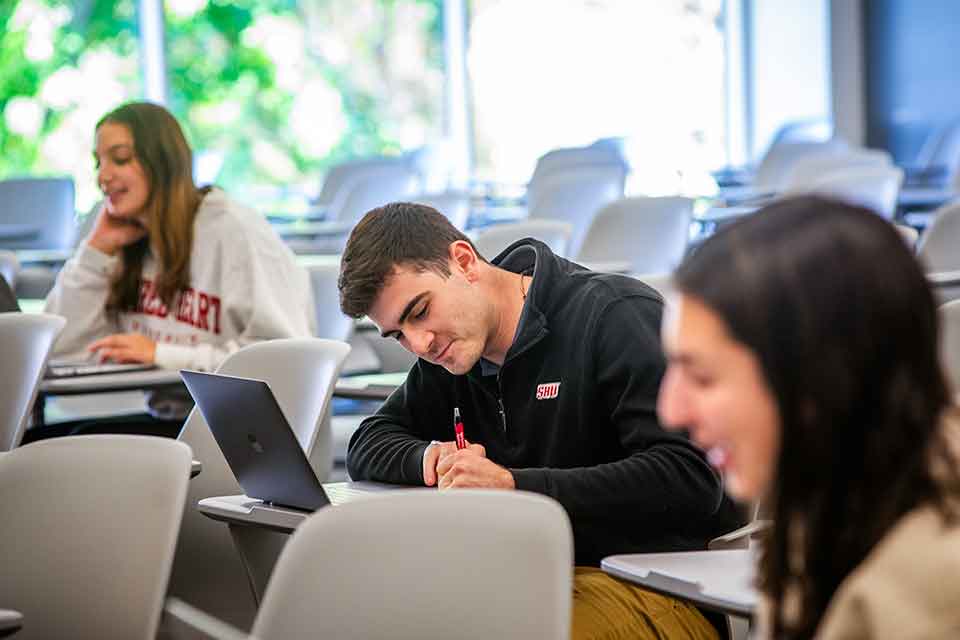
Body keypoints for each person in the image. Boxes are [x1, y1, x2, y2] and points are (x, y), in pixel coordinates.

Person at [338, 202, 742, 639]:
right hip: (528, 576)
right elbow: (368, 441)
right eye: (398, 334)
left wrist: (515, 487)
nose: (419, 343)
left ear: (464, 261)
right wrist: (433, 459)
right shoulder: (450, 356)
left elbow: (690, 479)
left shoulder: (614, 314)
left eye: (419, 312)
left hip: (651, 584)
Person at [658, 196, 960, 639]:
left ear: (820, 381)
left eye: (703, 378)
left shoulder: (925, 594)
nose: (671, 410)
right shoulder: (835, 508)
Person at [26, 102, 314, 441]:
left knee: (55, 449)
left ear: (163, 162)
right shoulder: (127, 244)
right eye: (98, 162)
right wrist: (95, 252)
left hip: (246, 433)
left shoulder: (236, 231)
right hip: (178, 426)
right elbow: (56, 350)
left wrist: (161, 355)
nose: (103, 176)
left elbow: (286, 361)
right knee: (42, 443)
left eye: (120, 159)